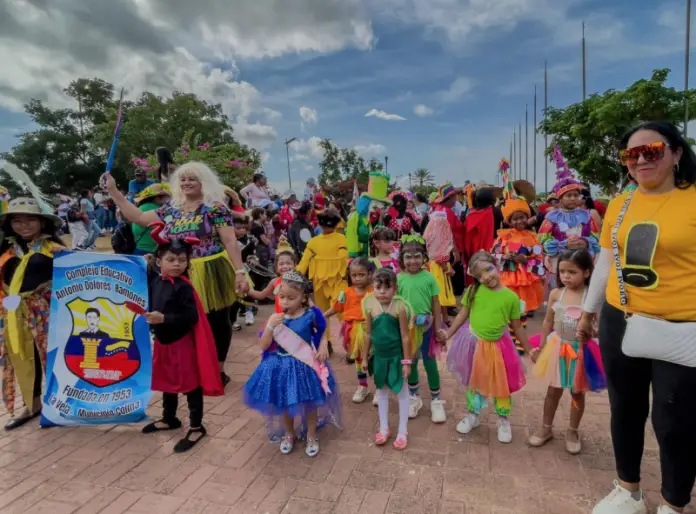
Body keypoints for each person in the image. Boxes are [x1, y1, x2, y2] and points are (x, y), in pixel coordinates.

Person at [577, 121, 696, 514]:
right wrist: (589, 310)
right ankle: (628, 489)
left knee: (674, 421)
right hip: (621, 318)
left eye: (653, 150)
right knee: (624, 408)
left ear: (677, 153)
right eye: (631, 154)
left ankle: (673, 503)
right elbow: (607, 260)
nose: (641, 159)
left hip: (681, 326)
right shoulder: (621, 202)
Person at [102, 162, 251, 387]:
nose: (186, 183)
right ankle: (190, 367)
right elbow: (138, 217)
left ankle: (218, 370)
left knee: (217, 322)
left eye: (192, 179)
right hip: (179, 272)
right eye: (182, 179)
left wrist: (239, 271)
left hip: (211, 270)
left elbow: (230, 240)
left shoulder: (215, 208)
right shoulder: (171, 208)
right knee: (182, 320)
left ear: (203, 181)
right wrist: (113, 190)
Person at [243, 271, 341, 457]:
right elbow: (263, 345)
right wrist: (271, 326)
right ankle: (289, 434)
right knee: (285, 405)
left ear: (303, 297)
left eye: (291, 298)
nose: (286, 302)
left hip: (305, 367)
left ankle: (311, 435)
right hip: (280, 366)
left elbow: (322, 328)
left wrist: (322, 345)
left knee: (310, 404)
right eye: (282, 297)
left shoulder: (311, 314)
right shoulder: (276, 319)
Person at [142, 233, 223, 452]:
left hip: (181, 343)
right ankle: (170, 418)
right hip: (162, 342)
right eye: (171, 259)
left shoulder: (184, 287)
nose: (177, 264)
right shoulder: (156, 281)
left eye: (182, 260)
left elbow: (191, 317)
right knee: (167, 382)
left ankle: (196, 426)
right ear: (159, 261)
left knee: (190, 386)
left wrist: (164, 319)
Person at [442, 251, 530, 444]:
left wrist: (529, 349)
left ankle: (503, 419)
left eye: (488, 270)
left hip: (499, 347)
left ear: (496, 264)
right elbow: (461, 315)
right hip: (473, 342)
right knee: (475, 380)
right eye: (479, 276)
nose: (486, 277)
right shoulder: (473, 291)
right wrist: (447, 334)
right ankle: (473, 415)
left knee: (501, 384)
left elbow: (517, 327)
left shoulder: (511, 298)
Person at [529, 249, 605, 454]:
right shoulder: (556, 294)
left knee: (576, 392)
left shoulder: (591, 298)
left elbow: (599, 326)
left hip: (581, 350)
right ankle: (546, 428)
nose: (566, 276)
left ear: (587, 273)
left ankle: (572, 430)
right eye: (562, 271)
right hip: (558, 346)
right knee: (553, 390)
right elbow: (547, 321)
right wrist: (542, 345)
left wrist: (591, 331)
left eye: (572, 272)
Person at [0, 197, 65, 429]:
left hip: (44, 312)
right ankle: (32, 403)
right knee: (23, 357)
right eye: (17, 221)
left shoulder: (53, 250)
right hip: (13, 313)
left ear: (41, 222)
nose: (23, 225)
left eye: (30, 220)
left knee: (50, 357)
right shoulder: (7, 250)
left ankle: (60, 402)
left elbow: (82, 269)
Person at [493, 171, 545, 353]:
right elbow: (493, 257)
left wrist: (526, 259)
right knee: (508, 312)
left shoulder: (532, 237)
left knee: (521, 312)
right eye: (515, 218)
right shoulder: (503, 237)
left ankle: (519, 342)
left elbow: (540, 259)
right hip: (507, 280)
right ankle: (508, 341)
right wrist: (504, 257)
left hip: (525, 282)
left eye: (522, 217)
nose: (520, 221)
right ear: (509, 221)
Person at [397, 235, 446, 423]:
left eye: (417, 256)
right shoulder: (399, 278)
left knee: (430, 362)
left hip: (426, 330)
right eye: (408, 256)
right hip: (406, 330)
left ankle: (436, 400)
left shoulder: (429, 278)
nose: (413, 260)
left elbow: (436, 304)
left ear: (424, 256)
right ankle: (414, 397)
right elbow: (397, 304)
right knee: (410, 361)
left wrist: (437, 327)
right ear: (402, 258)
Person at [362, 268, 412, 450]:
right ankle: (384, 428)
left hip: (396, 358)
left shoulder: (399, 308)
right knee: (381, 392)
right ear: (372, 288)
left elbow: (405, 336)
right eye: (378, 287)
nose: (383, 291)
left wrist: (407, 362)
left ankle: (402, 431)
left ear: (395, 289)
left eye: (387, 287)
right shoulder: (369, 307)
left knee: (402, 392)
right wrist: (365, 358)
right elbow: (368, 333)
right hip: (380, 358)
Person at [538, 146, 600, 290]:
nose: (573, 198)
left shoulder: (586, 216)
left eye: (575, 195)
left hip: (581, 259)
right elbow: (542, 240)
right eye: (568, 196)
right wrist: (562, 244)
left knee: (581, 292)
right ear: (560, 199)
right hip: (560, 262)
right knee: (560, 293)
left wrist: (585, 242)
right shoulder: (552, 217)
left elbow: (596, 238)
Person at [296, 206, 348, 354]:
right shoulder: (313, 242)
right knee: (322, 313)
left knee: (341, 310)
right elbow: (304, 260)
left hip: (338, 281)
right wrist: (296, 274)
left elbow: (343, 256)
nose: (326, 226)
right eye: (324, 223)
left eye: (329, 223)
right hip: (319, 282)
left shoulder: (341, 239)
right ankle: (327, 341)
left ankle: (350, 342)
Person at [324, 258, 373, 402]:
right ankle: (362, 386)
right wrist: (322, 315)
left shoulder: (374, 291)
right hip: (352, 331)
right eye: (354, 275)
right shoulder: (346, 292)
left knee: (374, 358)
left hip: (370, 329)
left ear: (369, 274)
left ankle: (380, 389)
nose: (357, 278)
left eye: (361, 274)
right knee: (358, 359)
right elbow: (336, 308)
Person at [462, 187, 503, 286]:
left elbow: (467, 237)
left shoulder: (471, 215)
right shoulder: (496, 211)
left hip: (476, 250)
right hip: (495, 247)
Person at [247, 239, 297, 313]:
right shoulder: (274, 282)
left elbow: (307, 300)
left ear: (295, 266)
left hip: (296, 320)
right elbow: (261, 295)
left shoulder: (299, 281)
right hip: (280, 320)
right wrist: (247, 290)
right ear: (276, 268)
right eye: (281, 264)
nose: (285, 266)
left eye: (288, 263)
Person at [132, 183, 172, 256]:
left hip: (138, 249)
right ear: (158, 198)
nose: (169, 199)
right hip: (150, 252)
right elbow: (171, 225)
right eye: (167, 197)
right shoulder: (157, 210)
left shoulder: (141, 207)